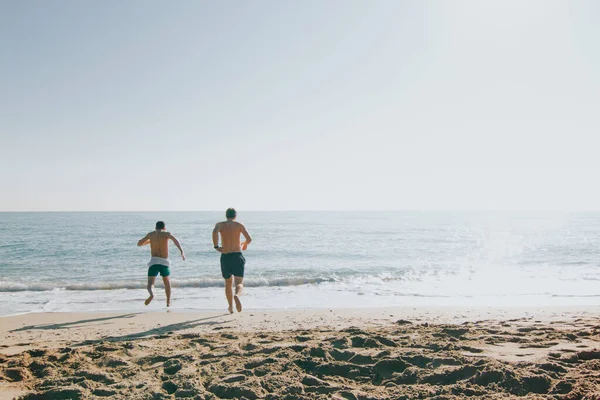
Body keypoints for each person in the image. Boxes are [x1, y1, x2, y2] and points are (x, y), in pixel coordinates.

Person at [213, 208, 252, 313]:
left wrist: (216, 246)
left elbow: (215, 232)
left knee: (228, 283)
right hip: (237, 256)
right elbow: (249, 239)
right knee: (239, 283)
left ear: (226, 215)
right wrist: (244, 244)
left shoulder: (220, 225)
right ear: (235, 216)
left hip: (225, 256)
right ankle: (237, 295)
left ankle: (230, 307)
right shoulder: (239, 225)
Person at [137, 221, 185, 307]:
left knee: (150, 284)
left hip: (154, 261)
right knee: (167, 282)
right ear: (164, 228)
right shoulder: (166, 234)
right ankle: (168, 302)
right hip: (164, 262)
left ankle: (151, 294)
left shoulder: (150, 234)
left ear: (155, 228)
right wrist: (181, 251)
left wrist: (149, 241)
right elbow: (175, 240)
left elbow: (139, 244)